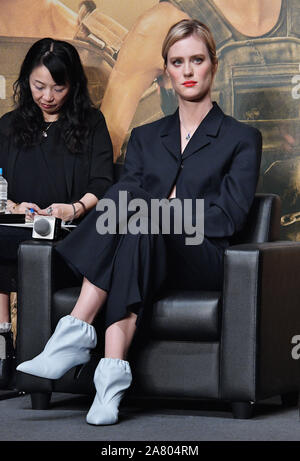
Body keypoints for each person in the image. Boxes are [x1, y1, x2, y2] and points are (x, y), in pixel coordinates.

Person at [17, 19, 262, 425]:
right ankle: (110, 379)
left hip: (203, 257)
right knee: (135, 219)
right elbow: (124, 205)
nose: (187, 70)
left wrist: (162, 208)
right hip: (144, 244)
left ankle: (76, 330)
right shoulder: (147, 136)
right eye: (177, 62)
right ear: (166, 72)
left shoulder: (240, 137)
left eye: (196, 60)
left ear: (212, 65)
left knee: (135, 209)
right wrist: (160, 209)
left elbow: (227, 218)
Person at [0, 38, 114, 388]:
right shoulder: (8, 125)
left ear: (73, 85)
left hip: (69, 233)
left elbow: (103, 182)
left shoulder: (92, 123)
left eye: (57, 87)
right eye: (38, 86)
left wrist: (75, 207)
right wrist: (13, 206)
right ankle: (3, 339)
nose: (47, 96)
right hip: (18, 226)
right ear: (26, 82)